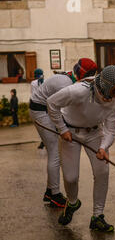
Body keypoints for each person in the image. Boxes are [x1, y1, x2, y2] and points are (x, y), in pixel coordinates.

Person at [47, 65, 115, 232]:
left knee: (102, 172)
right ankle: (73, 202)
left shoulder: (114, 104)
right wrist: (62, 129)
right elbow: (51, 103)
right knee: (70, 177)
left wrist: (104, 147)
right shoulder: (77, 91)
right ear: (105, 85)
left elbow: (110, 131)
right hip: (71, 133)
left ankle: (97, 216)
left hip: (95, 134)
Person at [29, 58, 98, 208]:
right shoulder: (66, 84)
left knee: (55, 152)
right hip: (40, 111)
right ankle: (54, 194)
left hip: (45, 109)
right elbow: (62, 108)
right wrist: (65, 129)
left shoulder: (71, 79)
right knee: (54, 152)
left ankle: (49, 191)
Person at [30, 68, 45, 149]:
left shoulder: (33, 83)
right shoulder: (45, 81)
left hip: (36, 107)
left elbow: (33, 94)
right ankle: (45, 140)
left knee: (39, 125)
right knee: (46, 125)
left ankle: (43, 140)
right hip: (45, 106)